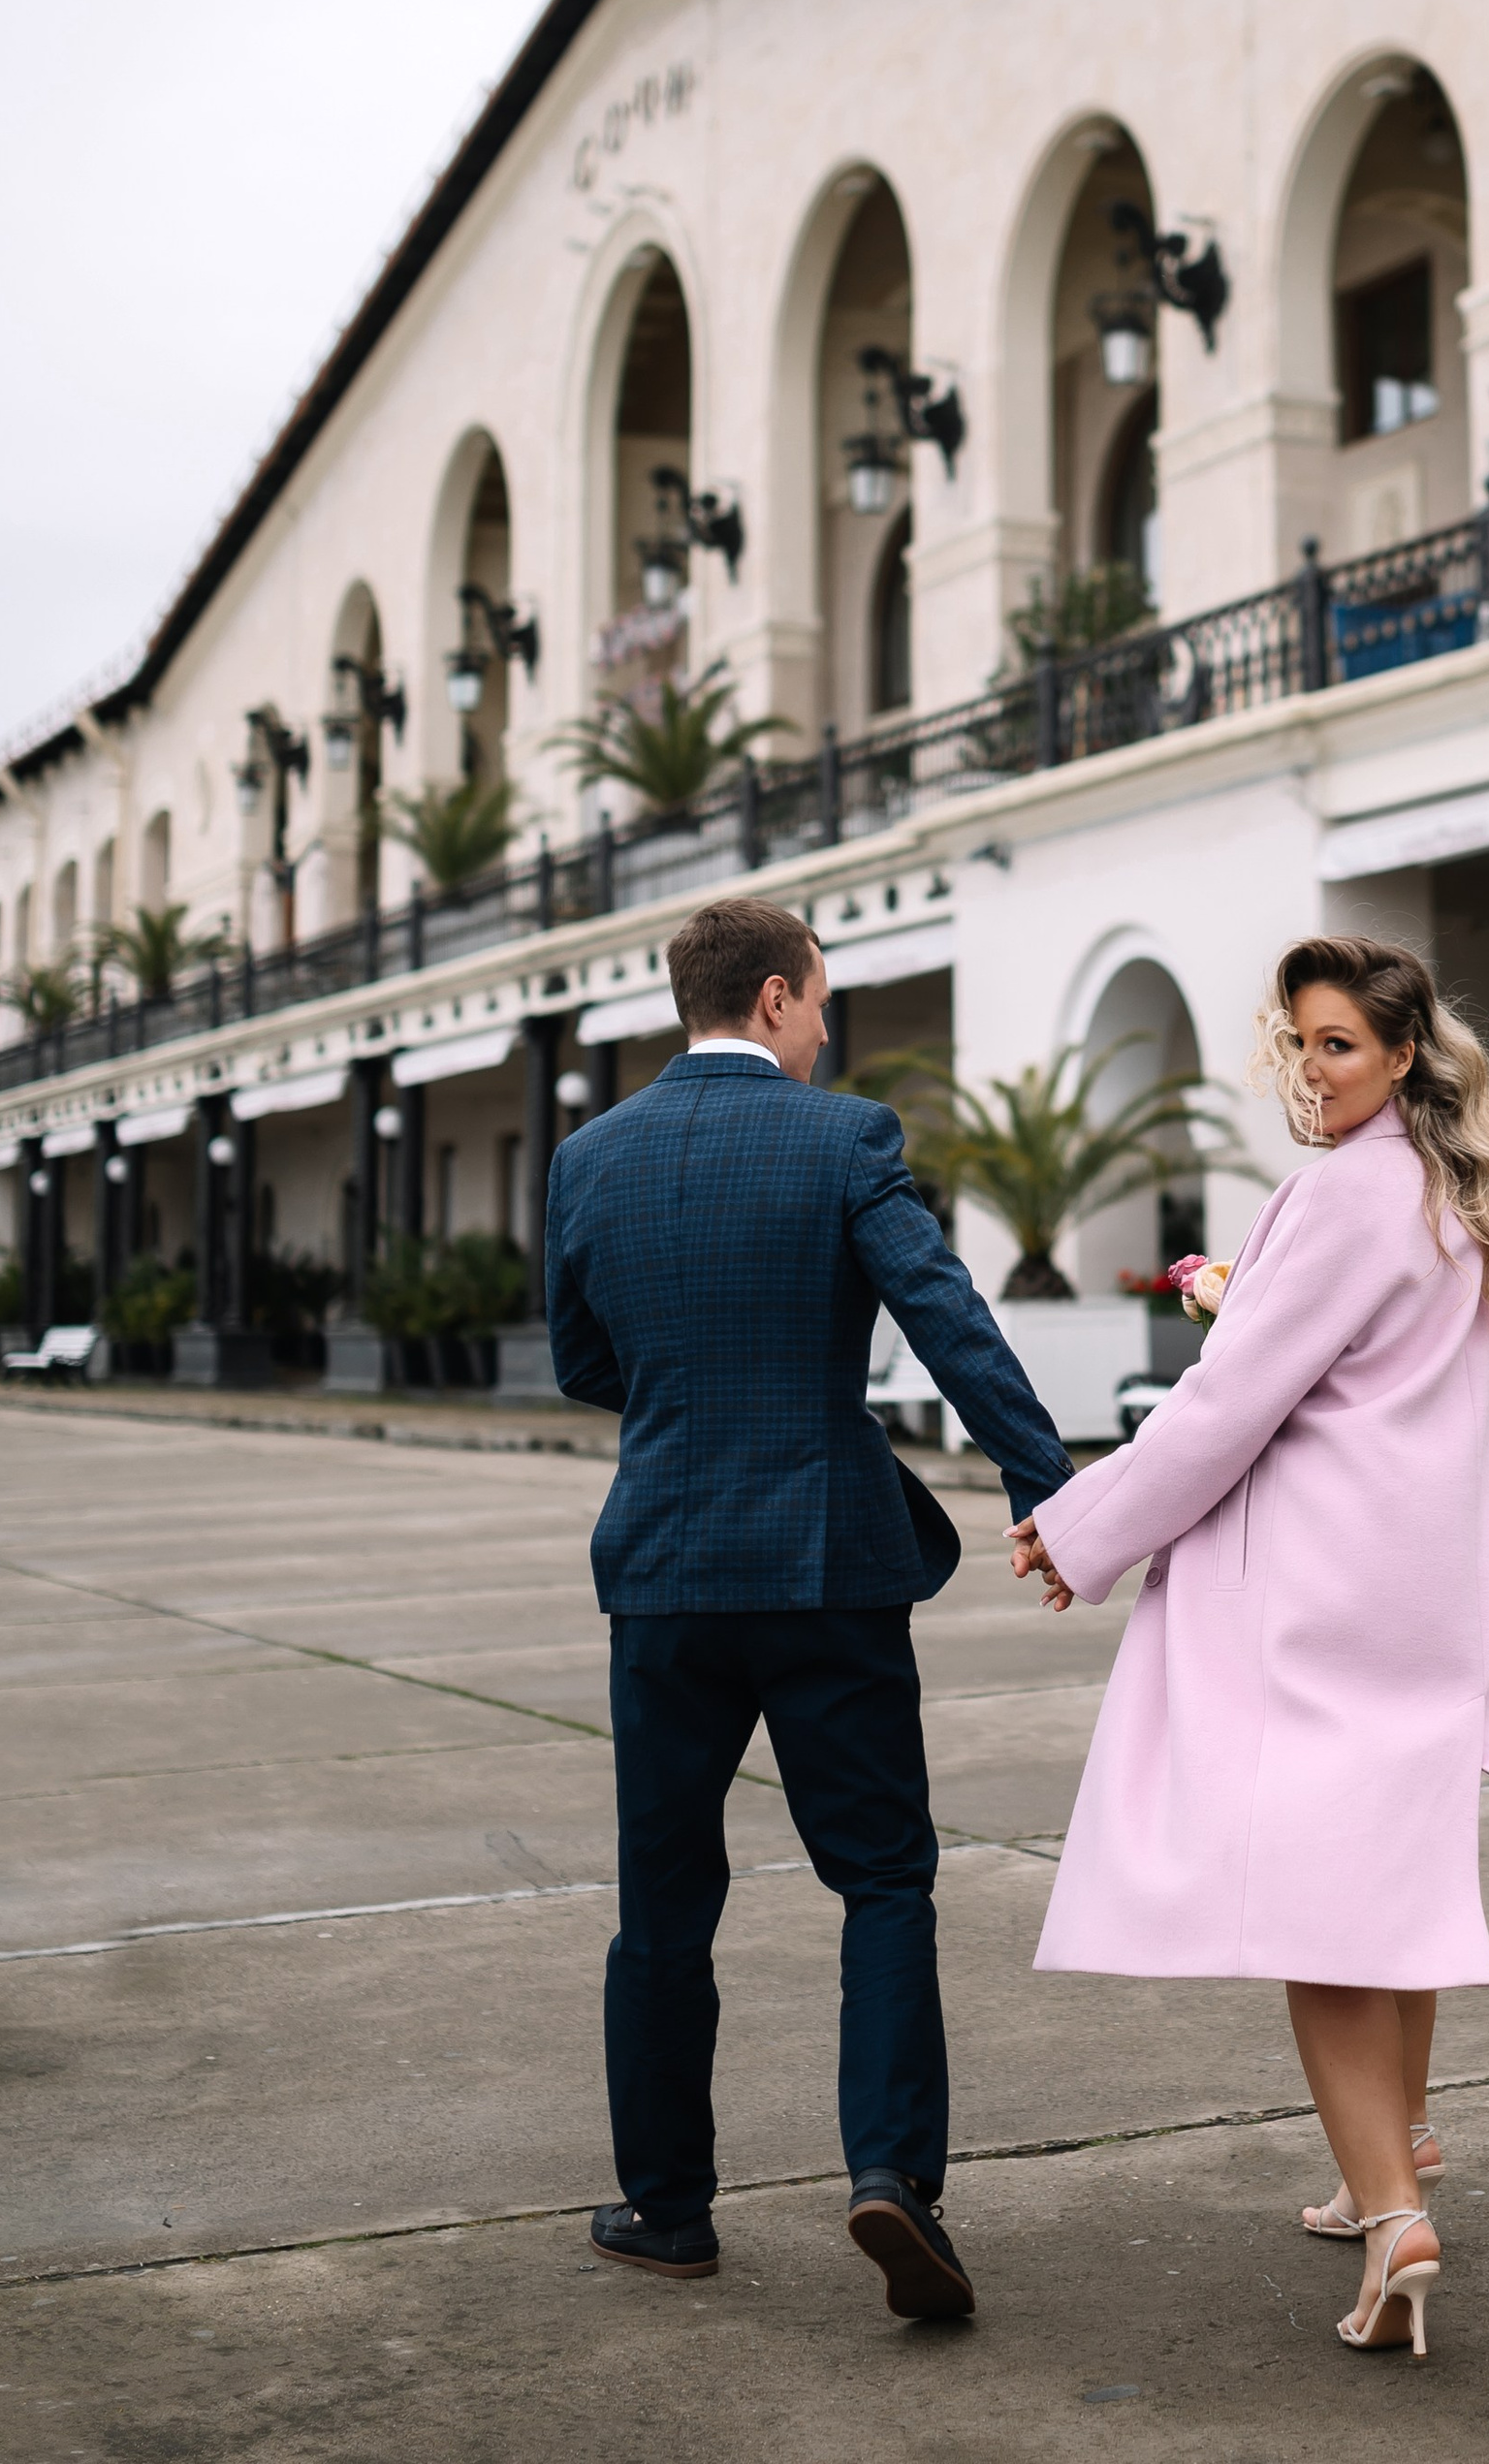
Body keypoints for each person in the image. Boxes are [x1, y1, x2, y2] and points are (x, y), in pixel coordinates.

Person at [1008, 933, 1489, 2362]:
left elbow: (1219, 1414)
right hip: (1428, 1600)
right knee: (1392, 1890)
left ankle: (1394, 2224)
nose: (1312, 1072)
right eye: (1301, 1043)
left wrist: (1083, 1531)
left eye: (1341, 1047)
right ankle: (1398, 2153)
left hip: (1316, 1607)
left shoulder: (1337, 1201)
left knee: (1315, 1918)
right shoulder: (1466, 1207)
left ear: (1399, 1060)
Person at [547, 894, 1072, 2321]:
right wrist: (1054, 1491)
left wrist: (684, 1398)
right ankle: (893, 2178)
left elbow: (581, 1359)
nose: (827, 1024)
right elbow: (948, 1317)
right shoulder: (843, 1138)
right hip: (827, 1566)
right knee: (884, 1878)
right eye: (821, 998)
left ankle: (667, 2209)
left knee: (664, 1900)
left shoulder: (589, 1157)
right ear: (775, 998)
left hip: (662, 1576)